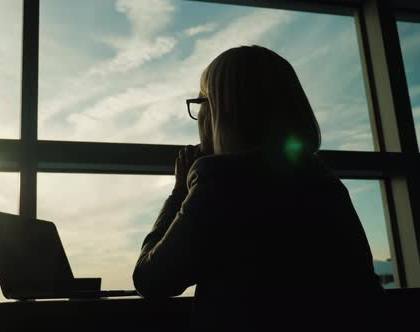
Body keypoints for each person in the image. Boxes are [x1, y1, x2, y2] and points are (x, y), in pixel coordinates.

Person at [132, 46, 389, 331]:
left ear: (220, 111)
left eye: (203, 101)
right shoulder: (323, 182)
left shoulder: (221, 184)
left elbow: (150, 279)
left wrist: (179, 192)